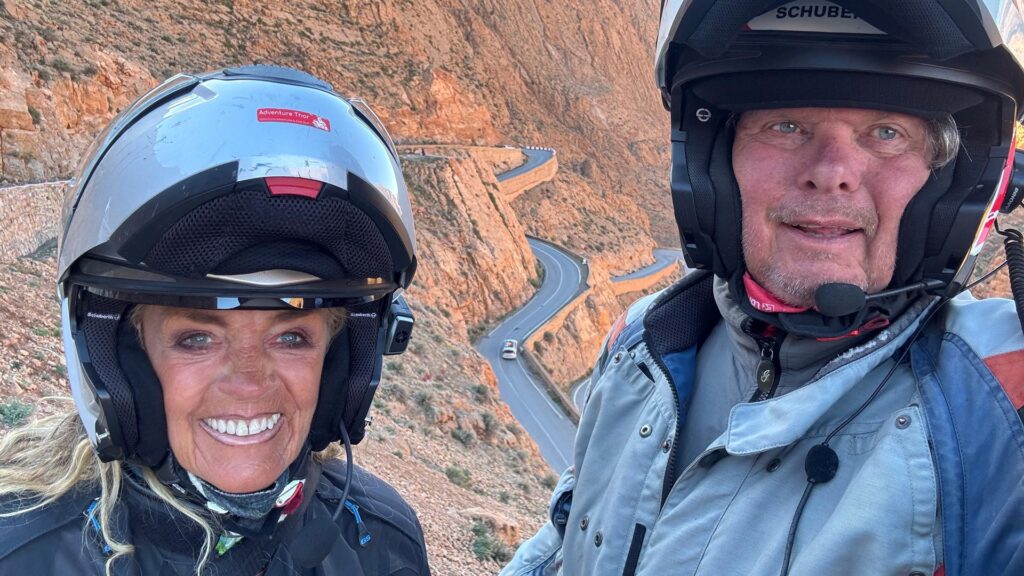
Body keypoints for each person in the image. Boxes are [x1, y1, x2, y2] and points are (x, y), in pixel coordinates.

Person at [504, 2, 1024, 575]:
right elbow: (565, 543)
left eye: (886, 133)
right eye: (786, 126)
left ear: (950, 186)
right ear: (714, 165)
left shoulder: (997, 408)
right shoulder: (642, 343)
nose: (831, 172)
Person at [0, 65, 429, 575]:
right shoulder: (23, 554)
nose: (249, 383)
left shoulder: (382, 544)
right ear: (121, 363)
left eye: (292, 337)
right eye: (196, 338)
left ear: (340, 368)